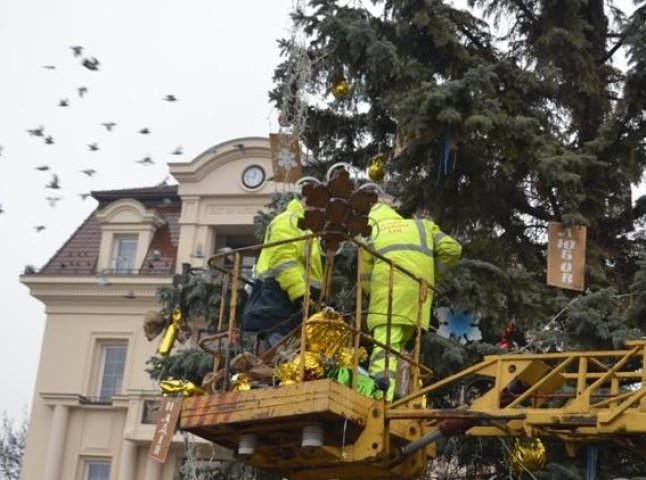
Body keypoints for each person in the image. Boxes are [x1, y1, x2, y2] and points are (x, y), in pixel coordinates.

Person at [360, 202, 462, 400]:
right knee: (400, 351)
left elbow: (364, 279)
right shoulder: (422, 226)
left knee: (384, 349)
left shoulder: (369, 234)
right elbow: (453, 249)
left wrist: (371, 295)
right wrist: (432, 276)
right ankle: (400, 394)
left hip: (388, 297)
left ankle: (381, 400)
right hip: (419, 300)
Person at [242, 197, 323, 346]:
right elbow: (282, 260)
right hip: (282, 289)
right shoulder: (290, 221)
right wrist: (300, 294)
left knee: (289, 340)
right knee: (280, 338)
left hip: (293, 290)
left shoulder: (306, 227)